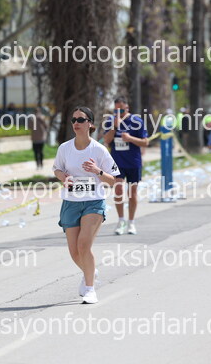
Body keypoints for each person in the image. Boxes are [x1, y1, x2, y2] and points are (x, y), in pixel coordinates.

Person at [53, 107, 120, 304]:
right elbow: (57, 169)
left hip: (93, 202)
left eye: (81, 120)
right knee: (74, 252)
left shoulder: (99, 150)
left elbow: (114, 180)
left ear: (90, 123)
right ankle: (91, 271)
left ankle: (90, 289)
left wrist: (98, 171)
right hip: (70, 202)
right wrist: (64, 178)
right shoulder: (64, 148)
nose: (76, 123)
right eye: (73, 119)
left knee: (84, 245)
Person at [103, 97, 148, 235]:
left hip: (133, 162)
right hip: (117, 162)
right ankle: (121, 220)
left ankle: (131, 222)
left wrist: (130, 139)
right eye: (116, 110)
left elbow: (145, 142)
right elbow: (106, 140)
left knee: (132, 193)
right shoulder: (110, 121)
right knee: (118, 190)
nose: (118, 113)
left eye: (121, 110)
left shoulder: (136, 121)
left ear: (127, 108)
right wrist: (114, 127)